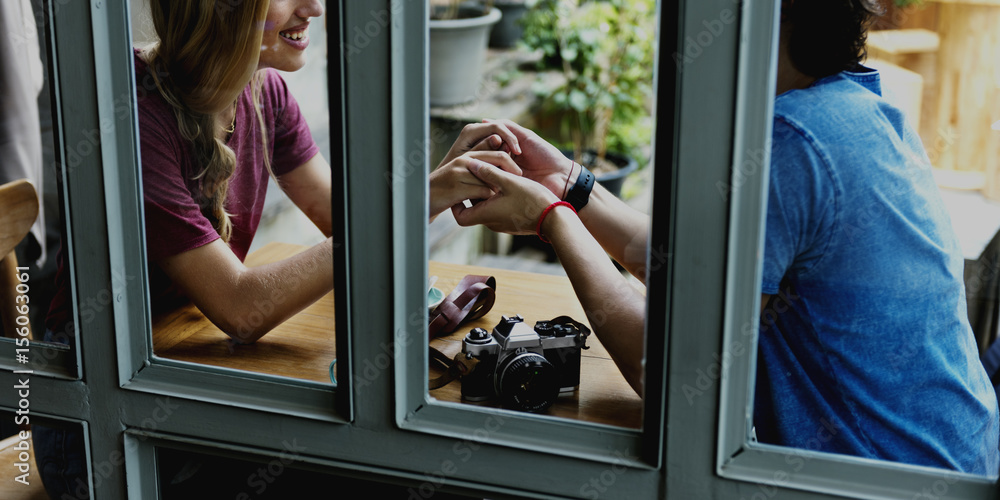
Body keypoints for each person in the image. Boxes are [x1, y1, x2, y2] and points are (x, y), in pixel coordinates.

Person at [453, 0, 999, 475]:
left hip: (880, 481)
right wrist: (571, 187)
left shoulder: (793, 142)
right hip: (960, 463)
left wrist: (553, 219)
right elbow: (696, 267)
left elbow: (674, 379)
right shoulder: (858, 111)